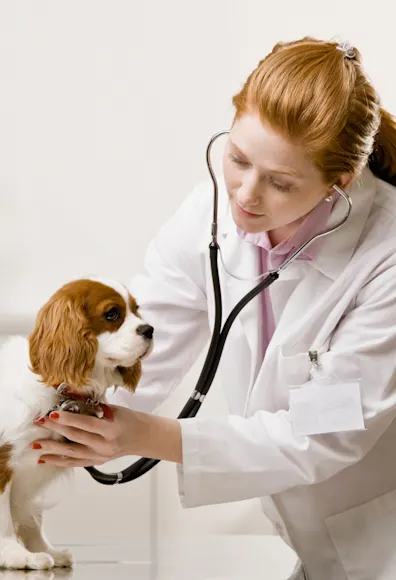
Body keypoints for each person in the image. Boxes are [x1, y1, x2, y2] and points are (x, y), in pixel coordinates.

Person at [31, 36, 396, 580]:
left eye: (280, 182)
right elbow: (139, 348)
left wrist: (143, 434)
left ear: (339, 183)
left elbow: (323, 432)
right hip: (320, 545)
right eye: (238, 158)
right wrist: (48, 414)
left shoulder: (384, 255)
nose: (245, 194)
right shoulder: (214, 215)